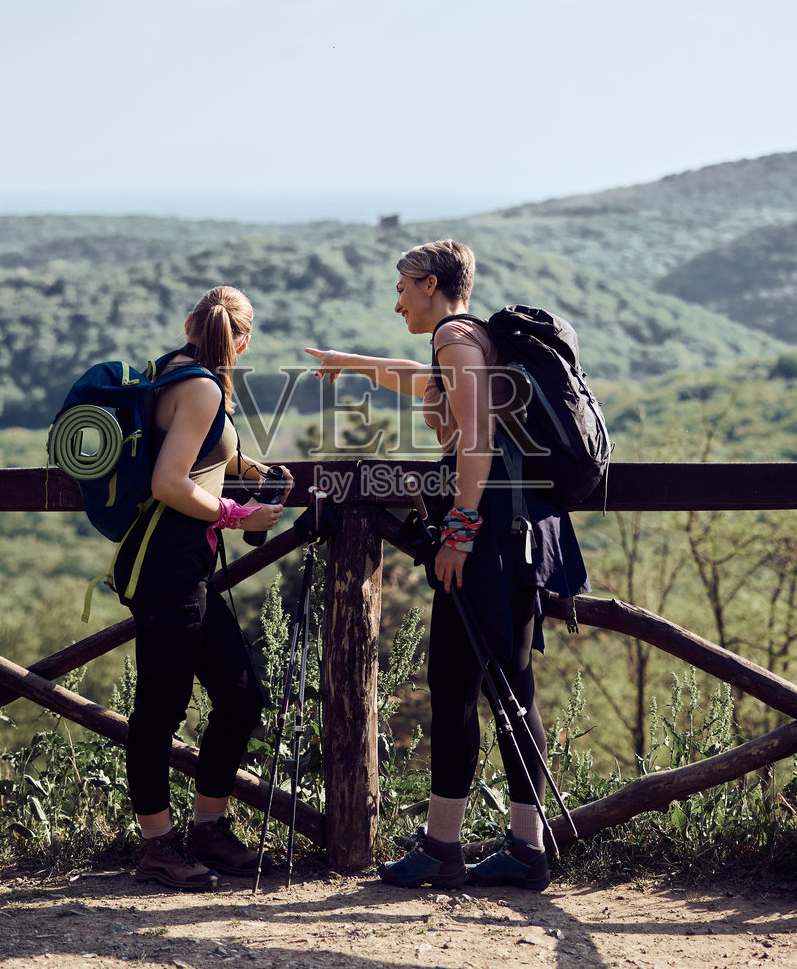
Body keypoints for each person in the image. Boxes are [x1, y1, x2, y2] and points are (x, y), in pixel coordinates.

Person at [305, 239, 588, 891]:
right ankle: (523, 846)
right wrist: (351, 362)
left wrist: (458, 531)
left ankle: (444, 847)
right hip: (522, 531)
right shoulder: (473, 338)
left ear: (430, 284)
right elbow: (418, 377)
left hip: (487, 536)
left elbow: (476, 442)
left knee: (457, 684)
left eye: (402, 287)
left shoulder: (456, 341)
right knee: (509, 687)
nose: (396, 298)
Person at [118, 285, 290, 891]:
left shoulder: (172, 371)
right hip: (169, 567)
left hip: (186, 566)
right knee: (160, 710)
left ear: (190, 322)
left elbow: (193, 451)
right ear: (242, 341)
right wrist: (238, 514)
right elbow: (170, 483)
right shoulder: (202, 387)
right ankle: (159, 846)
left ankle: (207, 831)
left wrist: (248, 469)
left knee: (242, 696)